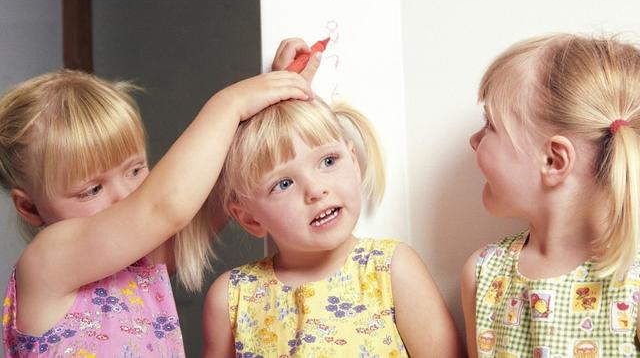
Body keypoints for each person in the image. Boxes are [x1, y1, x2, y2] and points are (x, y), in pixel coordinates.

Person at [0, 42, 319, 357]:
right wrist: (230, 104)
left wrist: (269, 99)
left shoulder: (138, 261)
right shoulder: (46, 262)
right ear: (29, 207)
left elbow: (215, 196)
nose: (126, 195)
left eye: (135, 170)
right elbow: (165, 208)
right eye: (92, 190)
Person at [202, 96, 462, 357]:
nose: (316, 190)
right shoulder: (231, 298)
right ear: (250, 219)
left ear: (354, 162)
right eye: (283, 184)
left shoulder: (391, 268)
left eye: (328, 161)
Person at [462, 34, 640, 357]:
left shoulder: (633, 281)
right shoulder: (482, 275)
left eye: (490, 124)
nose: (474, 140)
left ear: (553, 160)